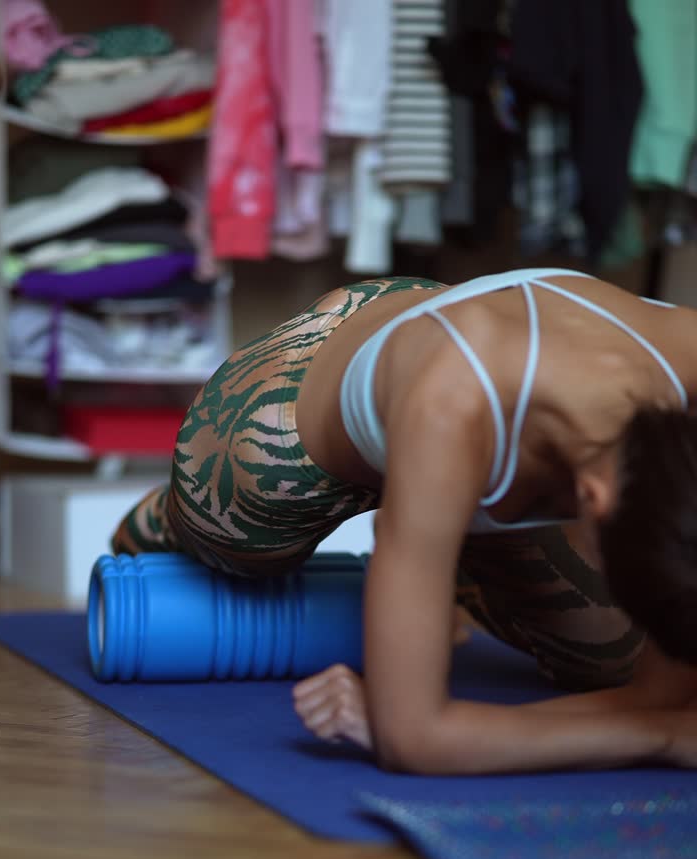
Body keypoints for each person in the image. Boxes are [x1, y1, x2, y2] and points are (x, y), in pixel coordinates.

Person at [112, 268, 697, 774]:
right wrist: (667, 736)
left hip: (481, 442)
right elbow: (414, 741)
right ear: (591, 501)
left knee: (611, 662)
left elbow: (659, 689)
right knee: (235, 542)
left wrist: (657, 707)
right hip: (296, 408)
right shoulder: (453, 406)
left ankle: (440, 572)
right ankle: (164, 521)